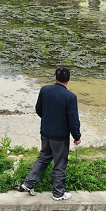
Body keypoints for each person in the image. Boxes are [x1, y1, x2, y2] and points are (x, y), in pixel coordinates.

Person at [18, 67, 81, 200]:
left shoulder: (45, 90)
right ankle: (58, 193)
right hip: (60, 137)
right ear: (69, 79)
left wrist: (48, 119)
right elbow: (73, 119)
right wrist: (77, 136)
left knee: (44, 156)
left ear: (55, 77)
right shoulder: (70, 97)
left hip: (45, 132)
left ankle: (28, 183)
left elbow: (39, 109)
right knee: (60, 163)